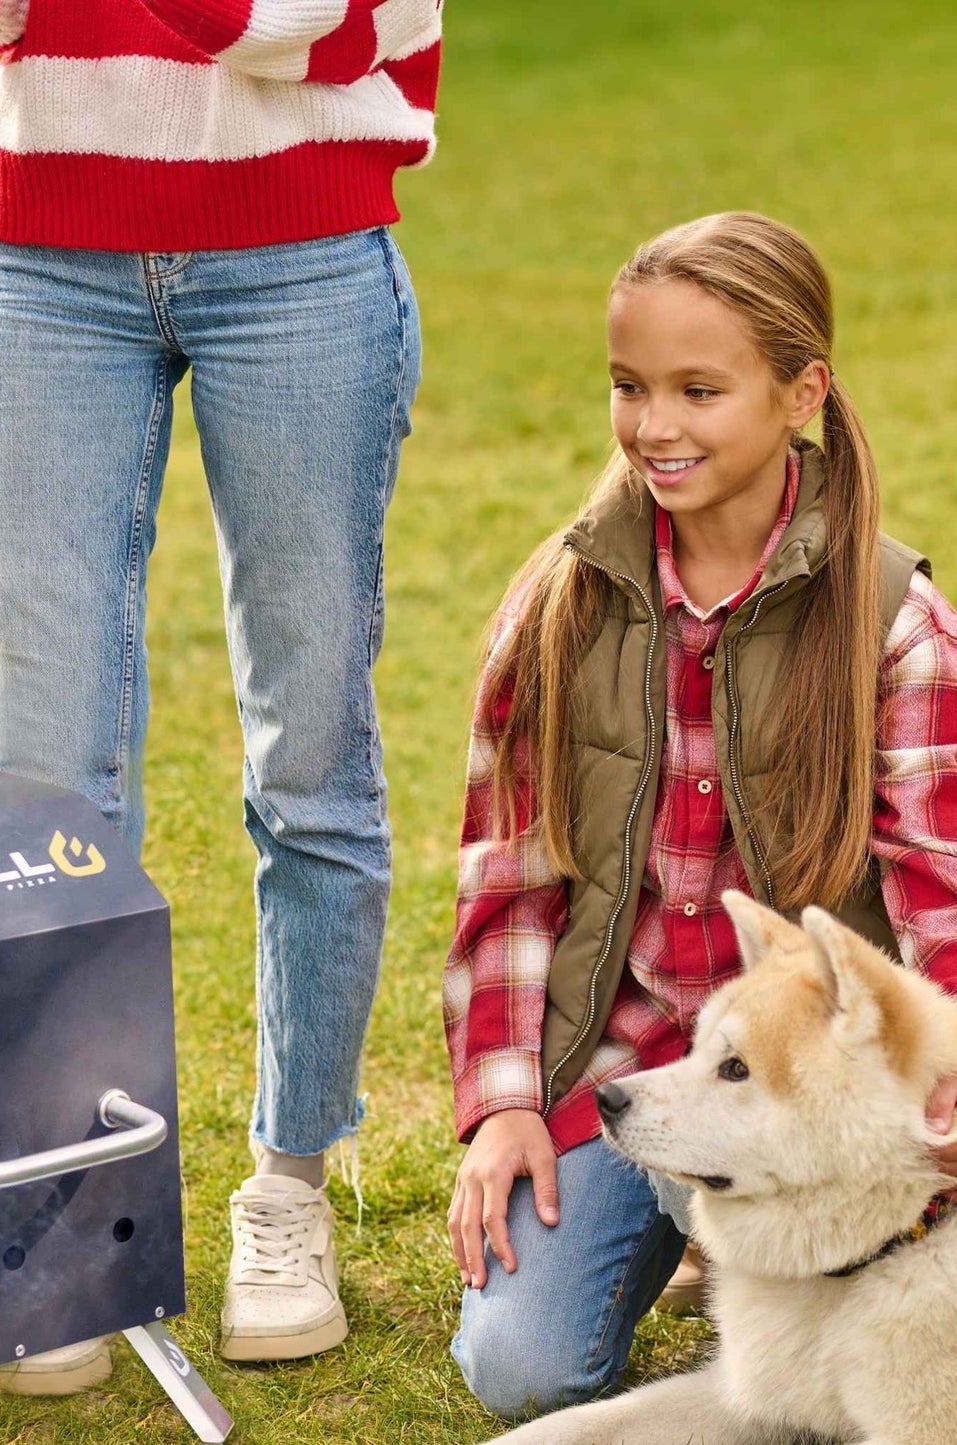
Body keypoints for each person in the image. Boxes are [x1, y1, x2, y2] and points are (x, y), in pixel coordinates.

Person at [0, 0, 443, 1384]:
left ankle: (287, 1187)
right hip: (45, 262)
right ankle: (69, 1210)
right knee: (48, 777)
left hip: (302, 258)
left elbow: (339, 31)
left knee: (308, 752)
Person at [441, 211, 957, 1420]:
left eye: (696, 388)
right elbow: (506, 878)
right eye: (628, 387)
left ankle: (744, 1235)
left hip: (800, 1098)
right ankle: (708, 1232)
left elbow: (942, 892)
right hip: (616, 1068)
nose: (652, 425)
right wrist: (507, 1099)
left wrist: (938, 1100)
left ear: (799, 392)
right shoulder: (559, 601)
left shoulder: (893, 625)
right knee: (519, 1367)